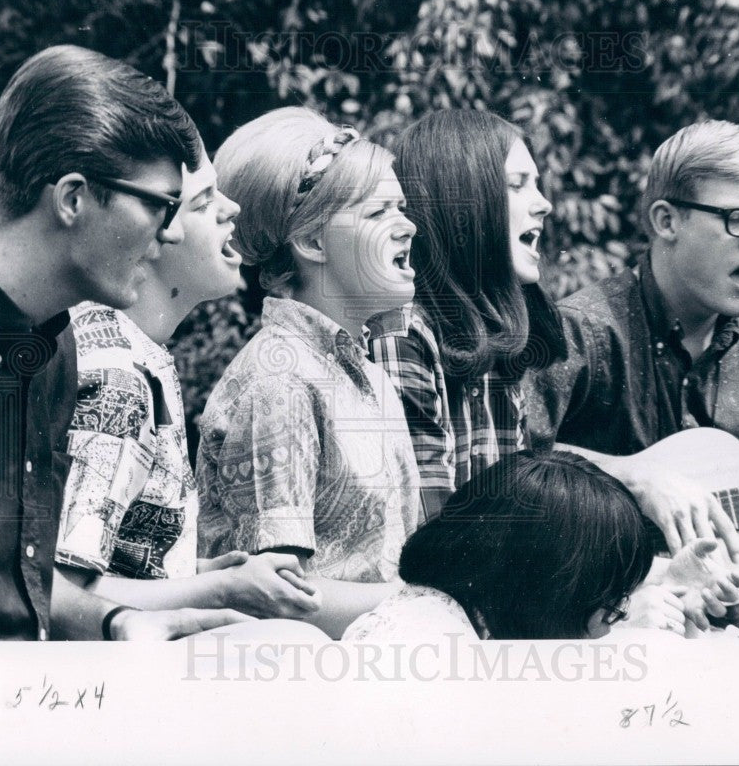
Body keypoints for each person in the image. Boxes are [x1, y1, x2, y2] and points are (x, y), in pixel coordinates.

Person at [0, 45, 245, 640]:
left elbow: (26, 582)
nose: (172, 233)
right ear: (72, 198)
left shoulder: (57, 346)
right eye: (161, 205)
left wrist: (118, 621)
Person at [525, 120, 739, 635]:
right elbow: (506, 465)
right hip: (616, 635)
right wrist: (634, 477)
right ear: (667, 220)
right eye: (738, 218)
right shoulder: (581, 332)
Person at [53, 145, 322, 620]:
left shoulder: (138, 351)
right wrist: (221, 589)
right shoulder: (119, 376)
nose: (232, 208)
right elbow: (63, 592)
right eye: (203, 202)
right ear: (155, 235)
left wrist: (196, 574)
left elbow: (115, 561)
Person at [196, 107, 420, 639]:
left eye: (402, 208)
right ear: (313, 243)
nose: (407, 224)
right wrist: (436, 600)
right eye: (378, 213)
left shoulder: (370, 375)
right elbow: (277, 600)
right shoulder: (281, 379)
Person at [366, 109, 569, 524]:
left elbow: (514, 521)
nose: (544, 204)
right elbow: (432, 542)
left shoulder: (499, 339)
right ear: (464, 208)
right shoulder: (403, 338)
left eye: (537, 185)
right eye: (517, 186)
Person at [343, 451, 680, 640]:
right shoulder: (430, 643)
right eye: (609, 601)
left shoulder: (465, 614)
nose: (616, 616)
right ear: (547, 588)